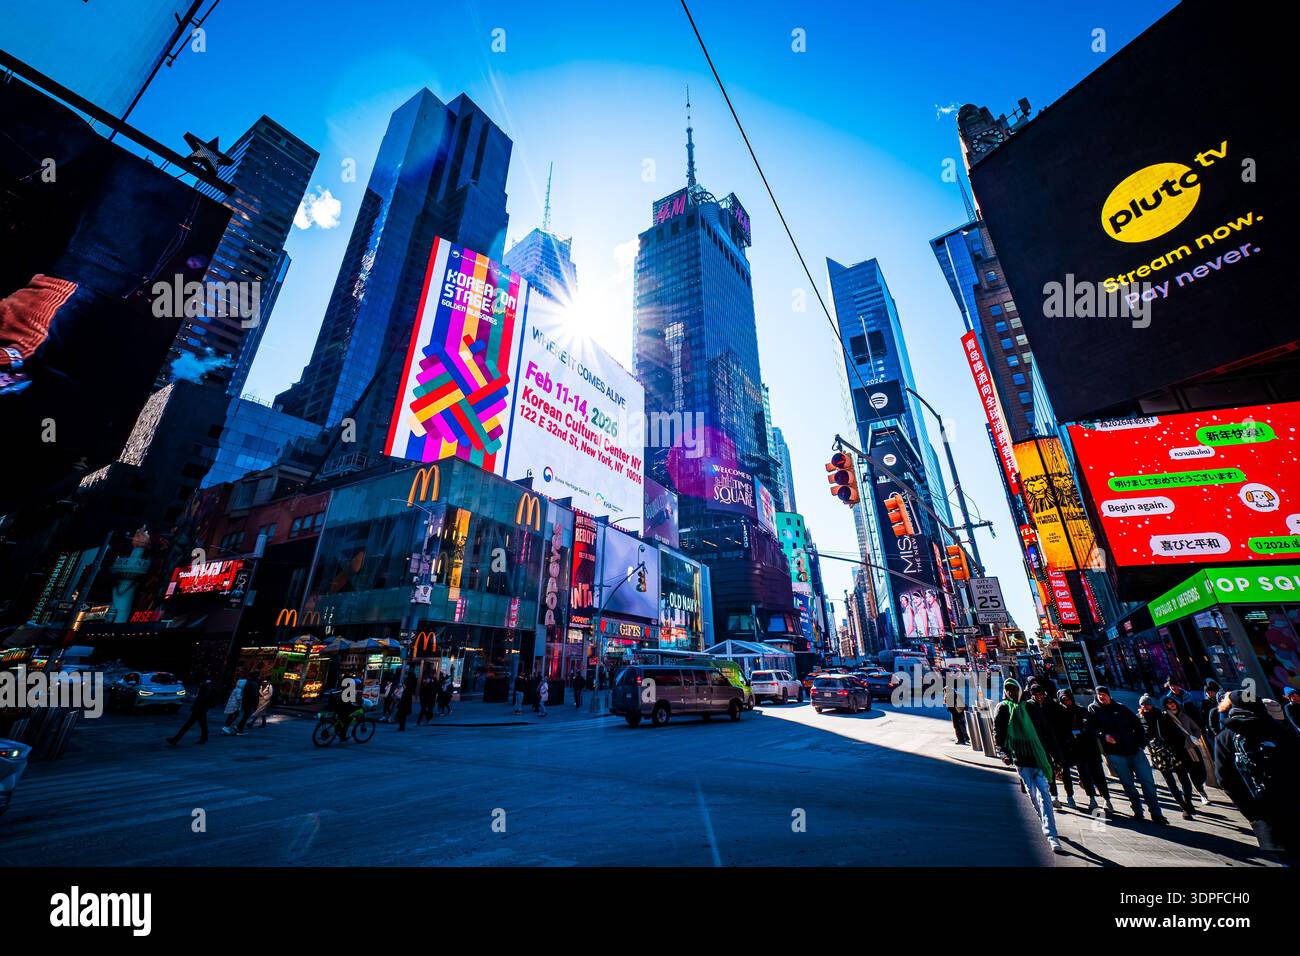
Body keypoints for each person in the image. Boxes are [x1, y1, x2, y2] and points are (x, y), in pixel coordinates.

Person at [1213, 690, 1300, 864]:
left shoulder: (1225, 737)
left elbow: (1225, 780)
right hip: (1295, 802)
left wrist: (1253, 814)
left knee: (1289, 859)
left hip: (1266, 813)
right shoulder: (1280, 729)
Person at [993, 678, 1065, 854]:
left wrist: (1057, 758)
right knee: (1033, 795)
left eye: (1013, 689)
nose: (1011, 692)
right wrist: (1003, 753)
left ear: (1019, 689)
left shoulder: (1031, 707)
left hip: (1038, 757)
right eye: (1007, 689)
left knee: (1044, 794)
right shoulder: (1002, 708)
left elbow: (1047, 733)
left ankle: (1051, 834)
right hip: (1020, 759)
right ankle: (1044, 821)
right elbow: (998, 733)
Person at [1086, 686, 1167, 823]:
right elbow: (1091, 729)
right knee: (1128, 784)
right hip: (1115, 754)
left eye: (1104, 694)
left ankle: (1156, 813)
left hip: (1135, 751)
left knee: (1147, 782)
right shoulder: (1093, 709)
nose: (1101, 697)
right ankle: (1137, 810)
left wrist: (1141, 744)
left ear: (1109, 695)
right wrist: (1104, 736)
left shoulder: (1121, 708)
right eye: (1099, 695)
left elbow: (1138, 725)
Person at [1051, 688, 1115, 818]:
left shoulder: (1082, 711)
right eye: (1063, 700)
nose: (1067, 701)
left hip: (1085, 748)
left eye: (1068, 698)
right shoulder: (1058, 714)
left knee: (1089, 773)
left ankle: (1098, 799)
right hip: (1067, 749)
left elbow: (1091, 729)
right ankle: (1070, 797)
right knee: (1067, 775)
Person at [1138, 694, 1196, 820]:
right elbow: (1141, 737)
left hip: (1174, 752)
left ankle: (1188, 802)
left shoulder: (1163, 716)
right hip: (1158, 754)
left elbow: (1176, 733)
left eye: (1147, 704)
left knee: (1184, 779)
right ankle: (1184, 807)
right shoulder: (1140, 719)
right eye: (1143, 704)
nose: (1146, 706)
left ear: (1152, 704)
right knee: (1170, 782)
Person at [1162, 695, 1212, 805]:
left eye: (1173, 702)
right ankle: (1199, 795)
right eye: (1168, 702)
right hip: (1179, 752)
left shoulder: (1184, 715)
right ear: (1165, 705)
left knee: (1200, 771)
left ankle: (1199, 789)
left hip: (1192, 748)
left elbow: (1196, 729)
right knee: (1187, 775)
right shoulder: (1165, 718)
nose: (1171, 704)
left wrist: (1195, 737)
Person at [167, 677, 215, 745]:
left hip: (199, 709)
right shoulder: (207, 686)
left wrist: (195, 703)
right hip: (201, 709)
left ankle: (175, 739)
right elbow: (203, 698)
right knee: (201, 724)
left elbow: (203, 698)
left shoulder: (206, 687)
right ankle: (204, 737)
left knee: (189, 725)